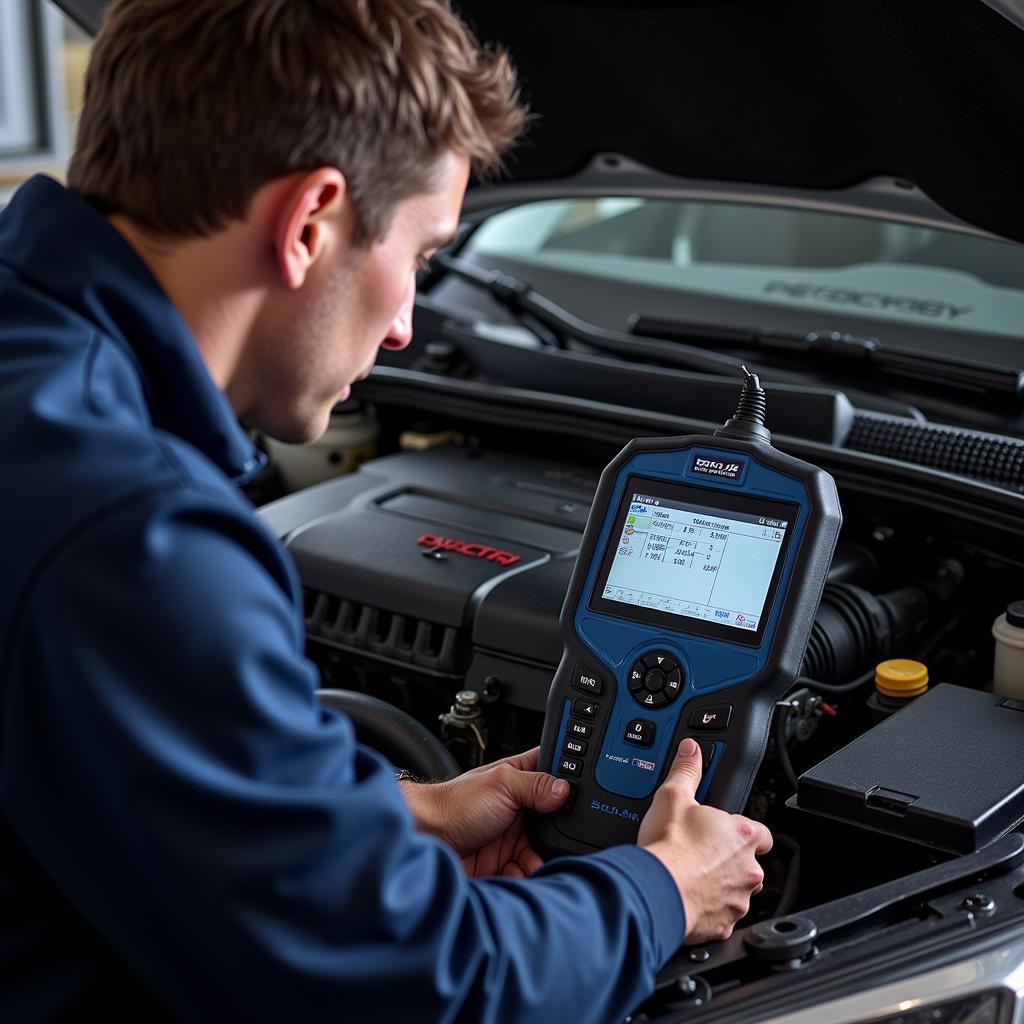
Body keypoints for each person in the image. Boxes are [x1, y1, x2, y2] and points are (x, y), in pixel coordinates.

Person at [0, 1, 771, 1020]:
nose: (408, 324)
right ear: (309, 221)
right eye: (418, 253)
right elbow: (416, 988)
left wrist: (390, 818)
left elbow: (91, 777)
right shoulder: (135, 534)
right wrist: (655, 895)